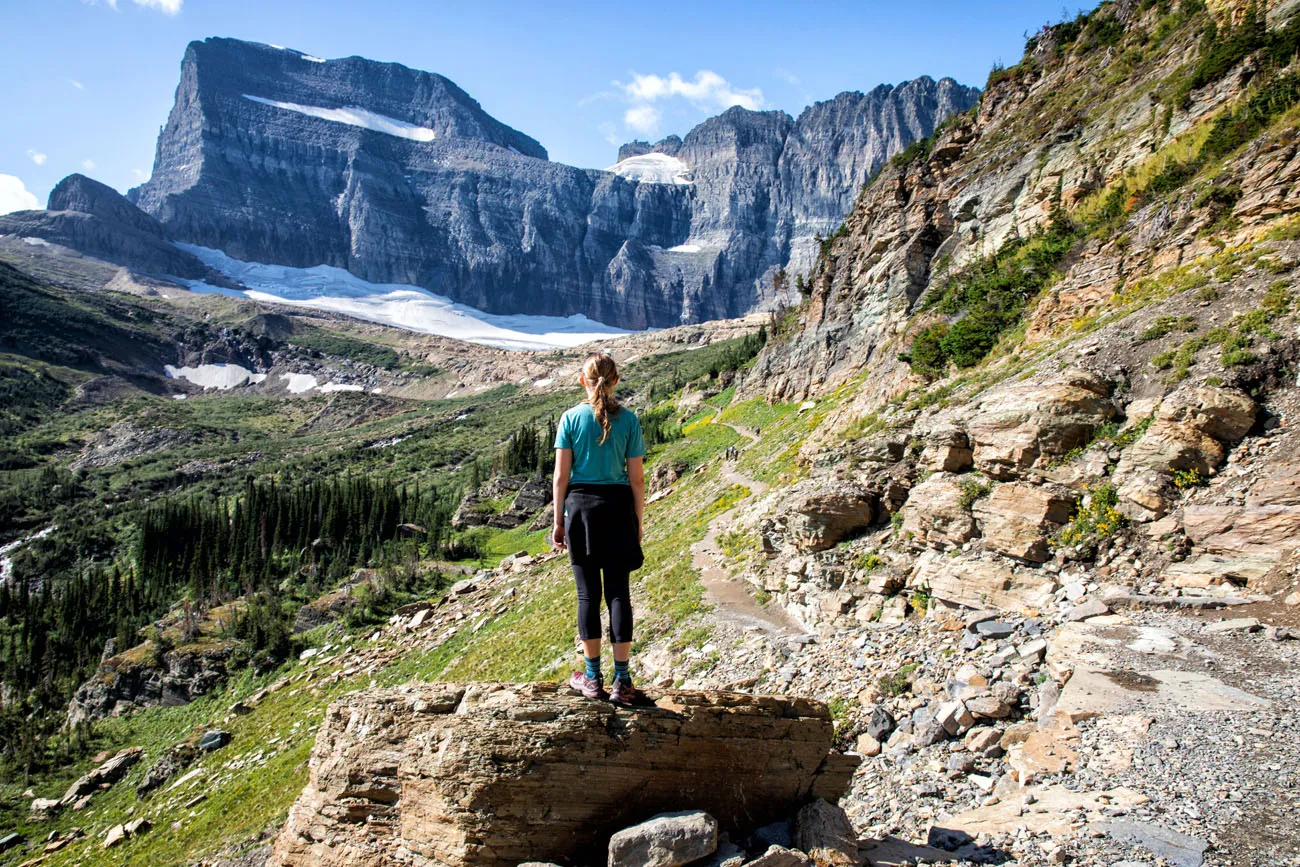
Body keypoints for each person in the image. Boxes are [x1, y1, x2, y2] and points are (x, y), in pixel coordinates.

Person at [552, 352, 646, 703]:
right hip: (619, 508)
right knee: (619, 593)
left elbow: (561, 476)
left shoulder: (570, 418)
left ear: (583, 381)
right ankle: (622, 681)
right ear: (616, 381)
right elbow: (636, 480)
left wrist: (557, 520)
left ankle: (592, 678)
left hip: (580, 510)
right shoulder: (630, 421)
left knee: (587, 595)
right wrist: (637, 523)